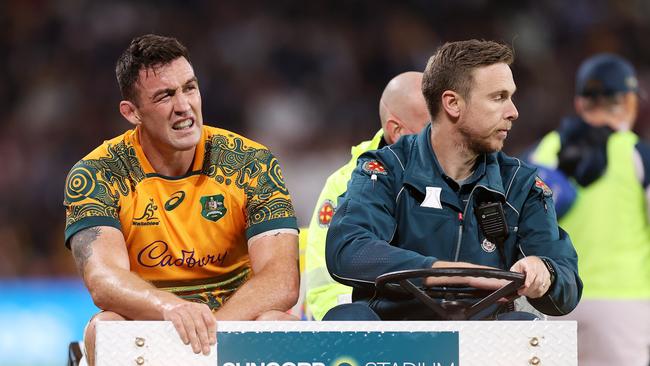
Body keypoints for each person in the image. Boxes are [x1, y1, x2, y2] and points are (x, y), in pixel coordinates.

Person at [63, 34, 299, 366]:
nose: (184, 106)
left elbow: (281, 279)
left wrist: (209, 333)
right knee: (106, 328)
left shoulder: (251, 162)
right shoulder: (97, 173)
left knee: (279, 326)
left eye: (189, 88)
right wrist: (172, 309)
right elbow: (103, 280)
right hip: (150, 322)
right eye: (164, 96)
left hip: (232, 321)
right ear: (132, 113)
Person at [324, 39, 583, 321]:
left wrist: (545, 271)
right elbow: (348, 249)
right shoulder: (385, 170)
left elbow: (567, 287)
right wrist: (442, 273)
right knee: (347, 318)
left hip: (484, 343)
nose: (513, 112)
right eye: (498, 97)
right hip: (395, 339)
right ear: (452, 103)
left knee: (524, 326)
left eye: (511, 97)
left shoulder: (520, 186)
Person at [529, 53, 650, 366]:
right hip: (621, 303)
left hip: (553, 298)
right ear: (628, 101)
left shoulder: (545, 150)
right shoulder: (637, 153)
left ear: (580, 103)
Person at [305, 71, 430, 320]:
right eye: (433, 127)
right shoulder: (345, 185)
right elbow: (325, 289)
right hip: (373, 328)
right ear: (397, 131)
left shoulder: (464, 174)